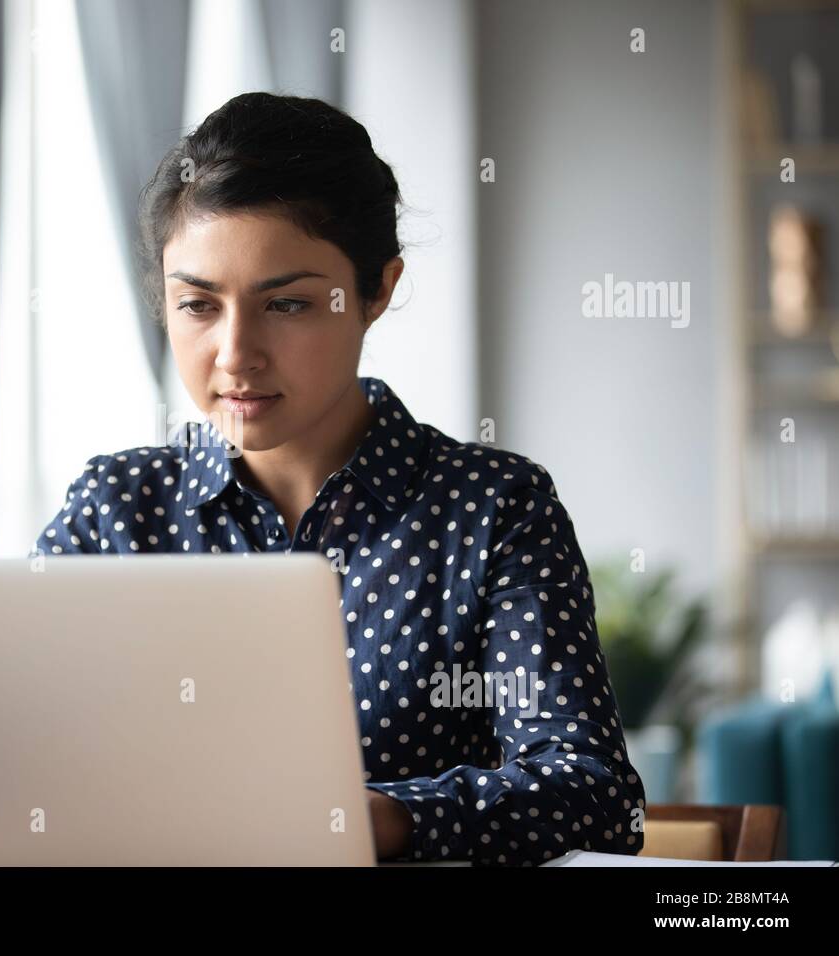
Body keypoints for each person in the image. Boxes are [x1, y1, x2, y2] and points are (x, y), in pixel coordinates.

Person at [32, 91, 646, 865]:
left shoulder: (492, 510)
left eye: (285, 304)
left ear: (376, 290)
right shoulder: (117, 511)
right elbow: (21, 746)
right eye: (197, 305)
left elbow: (595, 797)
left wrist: (373, 820)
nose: (234, 354)